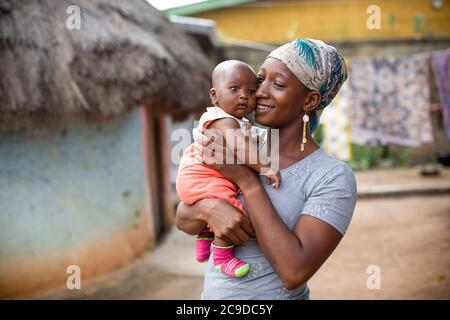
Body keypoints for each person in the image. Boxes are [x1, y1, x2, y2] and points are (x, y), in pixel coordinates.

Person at [176, 38, 357, 300]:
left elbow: (294, 271)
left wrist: (247, 182)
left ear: (309, 101)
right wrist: (208, 208)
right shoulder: (239, 141)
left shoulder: (331, 177)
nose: (258, 92)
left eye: (278, 84)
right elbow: (183, 219)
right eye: (260, 80)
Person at [176, 60, 281, 279]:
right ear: (214, 96)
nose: (244, 96)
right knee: (234, 209)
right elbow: (241, 147)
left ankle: (205, 240)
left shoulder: (232, 120)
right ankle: (222, 256)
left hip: (200, 177)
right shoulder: (223, 120)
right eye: (234, 89)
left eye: (251, 91)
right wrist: (266, 166)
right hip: (202, 175)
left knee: (223, 199)